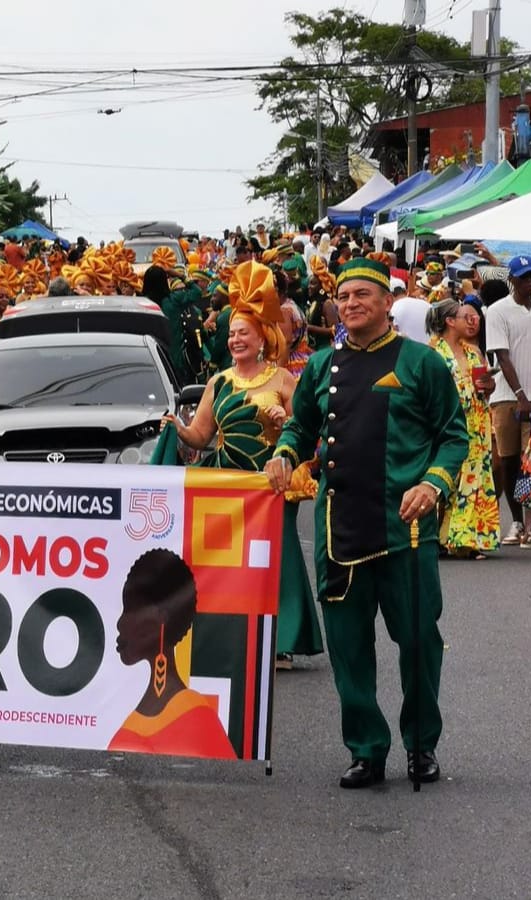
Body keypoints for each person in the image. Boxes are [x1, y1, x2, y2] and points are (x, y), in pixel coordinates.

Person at [266, 257, 468, 789]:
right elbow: (301, 427)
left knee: (420, 640)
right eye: (344, 295)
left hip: (407, 532)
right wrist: (286, 453)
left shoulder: (422, 364)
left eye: (363, 295)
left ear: (386, 303)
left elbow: (453, 437)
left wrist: (433, 484)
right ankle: (366, 750)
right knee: (350, 650)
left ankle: (421, 744)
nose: (351, 303)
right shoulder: (320, 368)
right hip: (340, 532)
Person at [159, 261, 321, 667]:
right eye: (230, 334)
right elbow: (201, 436)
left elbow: (307, 431)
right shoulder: (219, 382)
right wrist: (177, 429)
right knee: (227, 559)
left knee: (274, 558)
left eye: (242, 333)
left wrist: (286, 422)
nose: (234, 340)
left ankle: (280, 638)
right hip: (228, 485)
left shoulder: (283, 379)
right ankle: (228, 631)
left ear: (262, 336)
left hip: (272, 484)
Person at [108, 548, 236, 759]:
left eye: (130, 609)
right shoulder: (139, 710)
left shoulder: (195, 717)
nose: (120, 623)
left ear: (161, 617)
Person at [427, 299, 499, 558]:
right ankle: (438, 535)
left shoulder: (473, 353)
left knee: (473, 480)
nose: (469, 320)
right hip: (447, 422)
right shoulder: (433, 353)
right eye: (462, 316)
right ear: (449, 321)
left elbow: (485, 390)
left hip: (477, 423)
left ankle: (463, 539)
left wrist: (488, 386)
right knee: (448, 478)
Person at [485, 255, 531, 546]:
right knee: (509, 461)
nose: (530, 281)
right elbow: (502, 356)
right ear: (512, 280)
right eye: (524, 277)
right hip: (507, 397)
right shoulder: (497, 311)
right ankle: (516, 521)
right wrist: (520, 396)